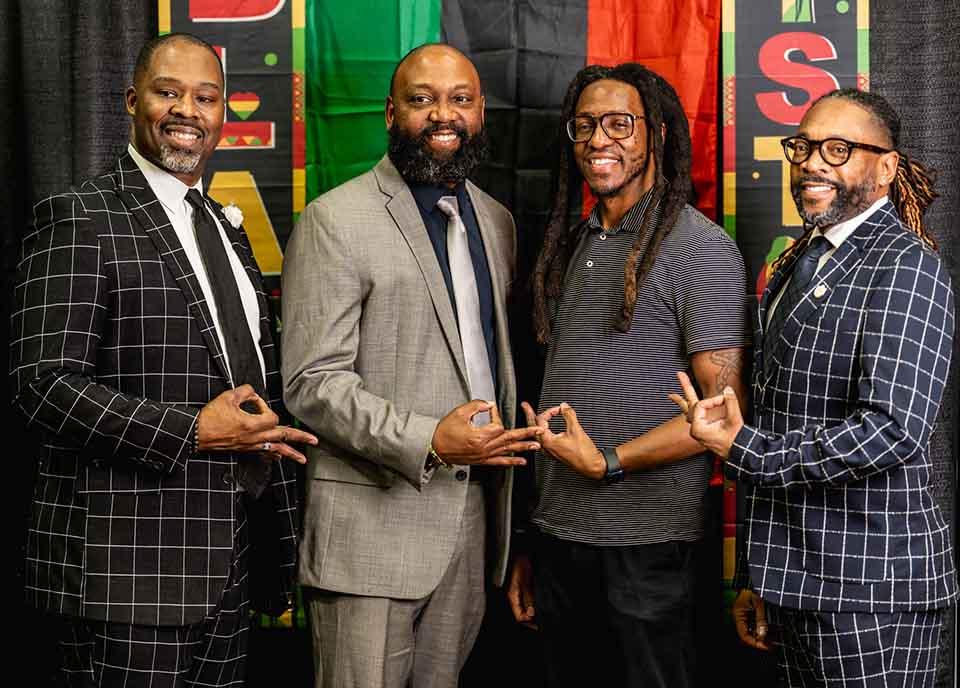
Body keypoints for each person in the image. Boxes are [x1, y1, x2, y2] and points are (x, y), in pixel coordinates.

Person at [10, 33, 317, 686]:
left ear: (222, 115)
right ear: (131, 101)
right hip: (126, 579)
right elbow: (41, 384)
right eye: (168, 91)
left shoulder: (226, 230)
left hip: (228, 568)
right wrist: (194, 430)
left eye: (206, 97)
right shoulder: (80, 218)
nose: (188, 110)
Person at [674, 89, 956, 687]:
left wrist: (742, 447)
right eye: (803, 147)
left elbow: (891, 431)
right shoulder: (798, 264)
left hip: (870, 593)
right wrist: (760, 575)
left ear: (886, 167)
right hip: (796, 582)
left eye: (838, 149)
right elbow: (778, 414)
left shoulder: (904, 265)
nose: (811, 163)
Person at [281, 43, 540, 688]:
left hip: (473, 525)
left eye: (460, 99)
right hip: (370, 532)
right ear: (392, 114)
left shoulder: (497, 222)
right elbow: (312, 384)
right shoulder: (335, 220)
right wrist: (429, 439)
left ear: (482, 112)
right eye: (423, 100)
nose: (443, 115)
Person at [506, 63, 750, 687]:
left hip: (646, 544)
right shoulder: (574, 241)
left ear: (658, 136)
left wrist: (607, 461)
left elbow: (721, 418)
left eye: (620, 124)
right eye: (585, 125)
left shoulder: (700, 248)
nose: (598, 140)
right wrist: (535, 538)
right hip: (562, 537)